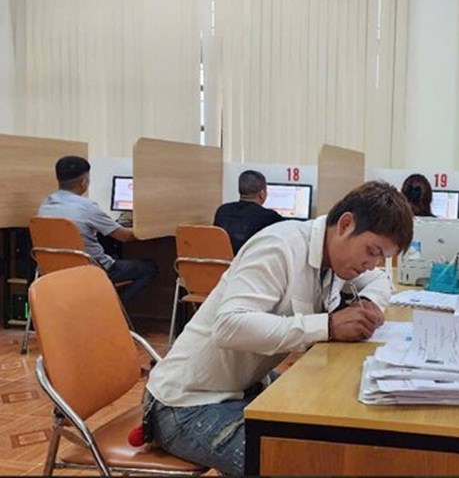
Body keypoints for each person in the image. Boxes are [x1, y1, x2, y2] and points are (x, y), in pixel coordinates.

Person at [144, 180, 414, 477]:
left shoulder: (336, 260)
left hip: (242, 389)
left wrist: (371, 304)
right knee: (293, 463)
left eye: (382, 258)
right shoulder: (280, 246)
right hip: (186, 403)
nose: (373, 265)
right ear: (346, 225)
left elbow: (379, 282)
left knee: (331, 434)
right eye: (372, 252)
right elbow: (229, 326)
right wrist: (327, 326)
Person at [38, 156, 157, 306]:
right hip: (89, 269)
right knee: (149, 267)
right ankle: (112, 311)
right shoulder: (87, 207)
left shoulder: (45, 205)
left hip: (53, 269)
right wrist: (149, 227)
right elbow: (125, 237)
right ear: (84, 182)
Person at [213, 170, 284, 253]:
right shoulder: (270, 217)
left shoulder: (223, 210)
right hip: (252, 264)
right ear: (262, 193)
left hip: (225, 264)